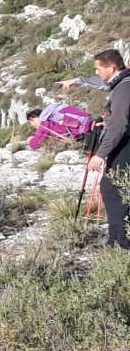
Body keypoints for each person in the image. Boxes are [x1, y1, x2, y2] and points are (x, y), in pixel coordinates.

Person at [59, 48, 130, 248]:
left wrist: (99, 155)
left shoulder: (124, 87)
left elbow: (119, 126)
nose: (97, 72)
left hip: (125, 145)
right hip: (124, 143)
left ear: (111, 68)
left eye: (98, 68)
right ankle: (117, 237)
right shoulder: (122, 83)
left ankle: (119, 240)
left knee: (112, 189)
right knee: (116, 188)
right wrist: (106, 122)